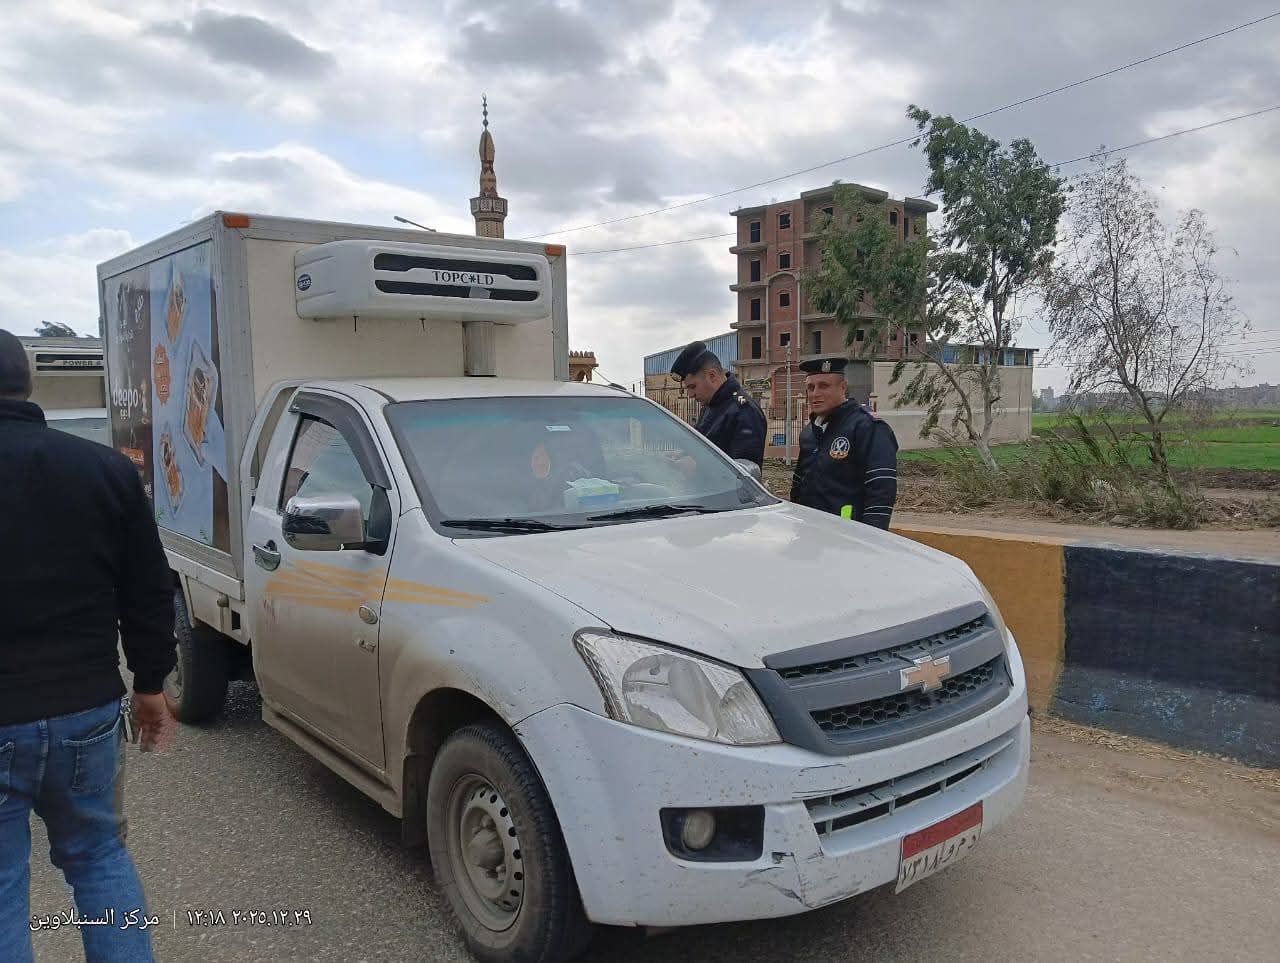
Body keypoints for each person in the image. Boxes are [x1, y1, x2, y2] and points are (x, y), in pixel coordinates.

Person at [0, 329, 176, 962]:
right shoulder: (104, 470)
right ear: (28, 385)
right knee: (98, 857)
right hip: (85, 711)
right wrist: (151, 684)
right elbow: (149, 588)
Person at [789, 356, 899, 529]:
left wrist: (872, 537)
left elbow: (881, 489)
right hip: (810, 532)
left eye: (824, 386)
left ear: (843, 387)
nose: (815, 393)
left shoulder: (867, 427)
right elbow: (798, 486)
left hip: (848, 534)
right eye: (810, 387)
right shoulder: (809, 432)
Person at [669, 340, 766, 466]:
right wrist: (682, 455)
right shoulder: (711, 405)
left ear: (712, 376)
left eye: (693, 387)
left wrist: (695, 467)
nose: (690, 395)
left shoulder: (745, 411)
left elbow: (744, 471)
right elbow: (705, 448)